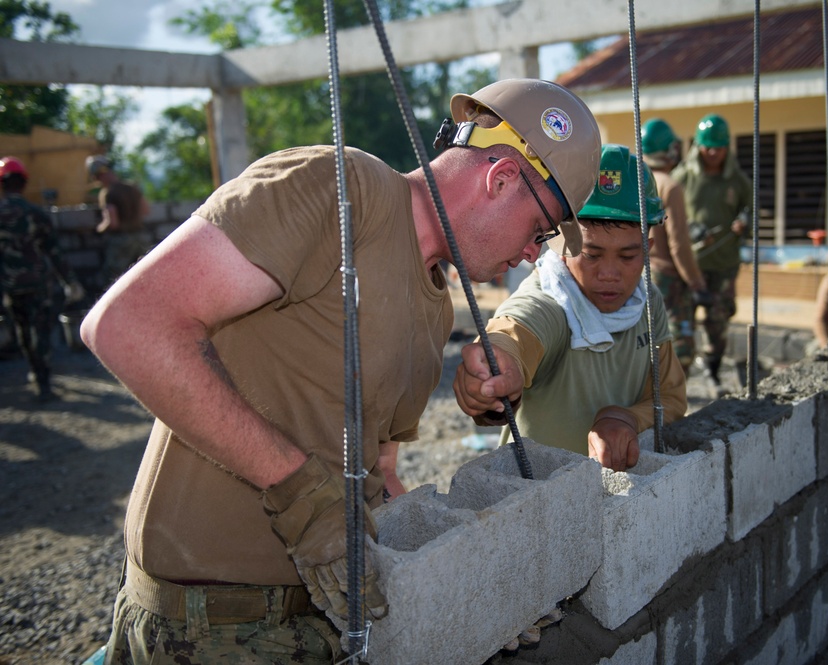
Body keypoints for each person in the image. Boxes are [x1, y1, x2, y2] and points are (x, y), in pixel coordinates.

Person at [79, 78, 601, 663]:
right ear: (500, 178)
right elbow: (130, 324)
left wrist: (465, 586)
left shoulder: (433, 309)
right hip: (206, 629)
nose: (535, 254)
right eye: (541, 230)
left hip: (319, 623)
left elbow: (374, 477)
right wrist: (297, 490)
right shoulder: (343, 192)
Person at [452, 144, 688, 472]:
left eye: (628, 256)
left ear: (647, 249)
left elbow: (672, 399)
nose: (609, 274)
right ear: (563, 242)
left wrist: (627, 417)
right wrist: (494, 367)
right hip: (538, 503)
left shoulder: (647, 302)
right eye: (592, 254)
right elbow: (516, 330)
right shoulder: (552, 300)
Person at [671, 113, 752, 387]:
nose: (714, 153)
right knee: (683, 325)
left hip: (724, 264)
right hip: (690, 266)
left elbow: (750, 211)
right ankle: (681, 379)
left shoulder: (737, 181)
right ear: (698, 146)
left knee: (718, 322)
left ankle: (714, 368)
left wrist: (745, 224)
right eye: (709, 147)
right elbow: (665, 211)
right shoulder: (683, 177)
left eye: (719, 147)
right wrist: (690, 228)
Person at [0, 156, 84, 401]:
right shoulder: (35, 214)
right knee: (42, 332)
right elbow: (54, 252)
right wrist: (70, 282)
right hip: (38, 284)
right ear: (23, 183)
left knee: (23, 331)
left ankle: (36, 375)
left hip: (10, 286)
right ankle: (44, 383)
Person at [641, 118, 707, 375]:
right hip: (668, 279)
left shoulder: (635, 180)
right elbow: (679, 245)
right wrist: (696, 282)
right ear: (669, 150)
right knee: (677, 350)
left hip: (641, 275)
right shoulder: (670, 186)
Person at [86, 155, 151, 286]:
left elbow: (112, 222)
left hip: (121, 242)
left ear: (97, 176)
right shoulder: (132, 188)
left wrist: (97, 230)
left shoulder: (107, 193)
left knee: (112, 281)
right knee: (146, 277)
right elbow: (146, 210)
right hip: (141, 238)